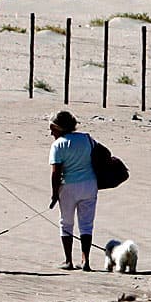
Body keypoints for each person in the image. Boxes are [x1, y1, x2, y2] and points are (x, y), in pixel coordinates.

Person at [49, 110, 98, 270]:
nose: (51, 133)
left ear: (59, 128)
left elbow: (56, 172)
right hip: (90, 184)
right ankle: (85, 260)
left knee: (66, 223)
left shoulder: (58, 144)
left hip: (68, 187)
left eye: (52, 129)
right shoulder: (87, 139)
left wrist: (55, 194)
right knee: (86, 224)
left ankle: (68, 260)